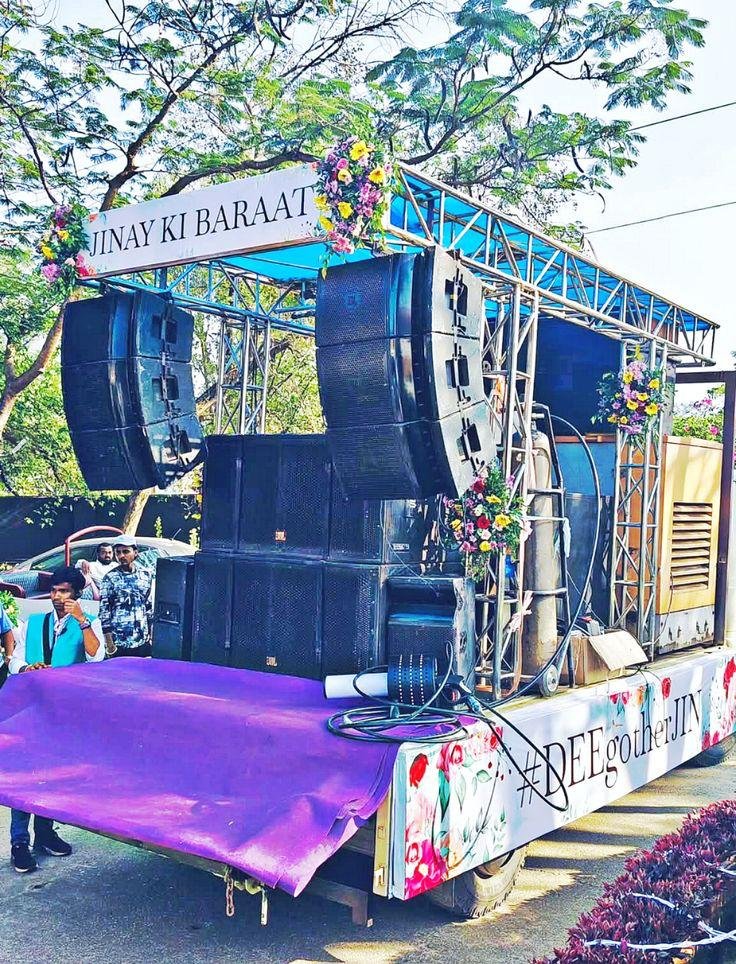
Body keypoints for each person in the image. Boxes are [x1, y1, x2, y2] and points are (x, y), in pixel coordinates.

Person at [5, 565, 105, 873]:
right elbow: (14, 659)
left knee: (49, 775)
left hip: (65, 713)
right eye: (54, 591)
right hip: (32, 709)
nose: (57, 596)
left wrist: (82, 620)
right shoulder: (34, 622)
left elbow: (95, 656)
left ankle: (45, 833)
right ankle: (19, 843)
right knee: (25, 775)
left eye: (64, 591)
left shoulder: (88, 623)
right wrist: (25, 668)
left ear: (76, 595)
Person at [99, 535, 154, 657]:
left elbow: (148, 607)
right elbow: (104, 613)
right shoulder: (110, 578)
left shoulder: (145, 575)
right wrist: (110, 645)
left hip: (142, 639)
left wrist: (151, 634)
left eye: (126, 551)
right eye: (118, 552)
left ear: (135, 552)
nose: (121, 556)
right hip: (119, 641)